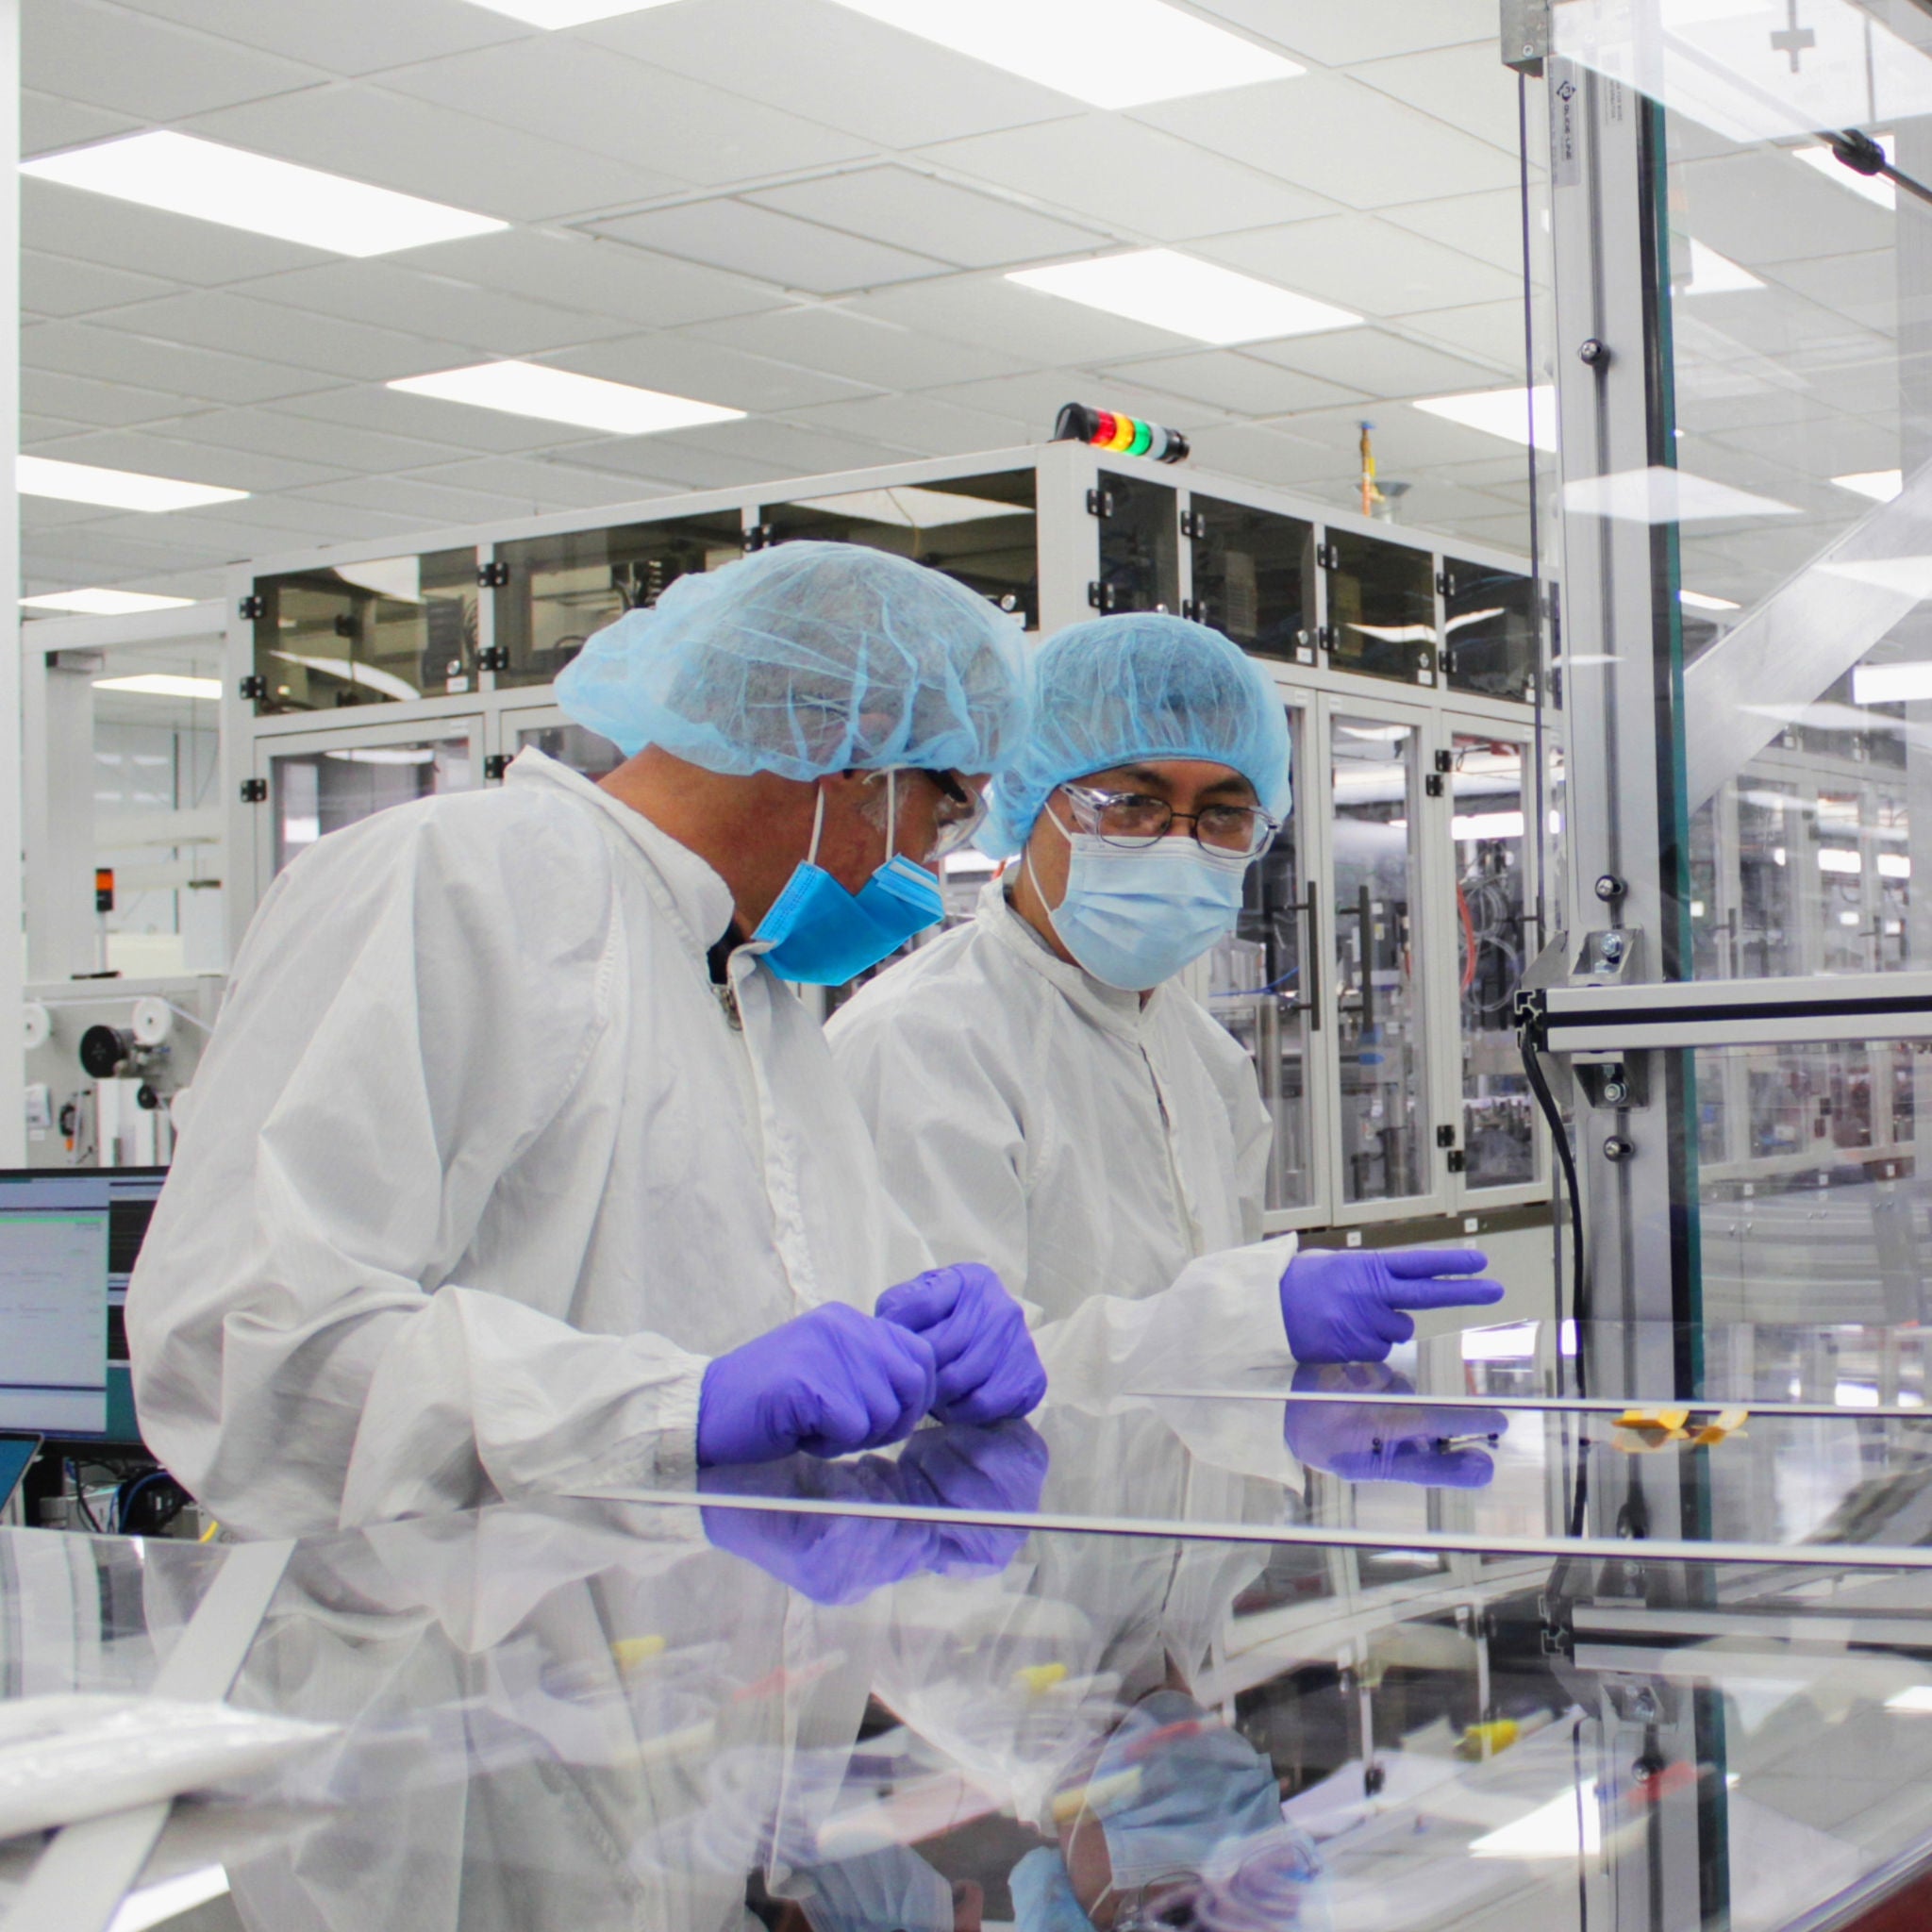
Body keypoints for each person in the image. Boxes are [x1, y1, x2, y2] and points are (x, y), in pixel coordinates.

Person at [128, 542, 1046, 1539]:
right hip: (454, 1665)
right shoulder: (458, 879)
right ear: (851, 750)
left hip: (705, 1663)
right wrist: (671, 1410)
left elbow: (778, 1325)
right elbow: (249, 1343)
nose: (926, 859)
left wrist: (926, 1338)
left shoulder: (749, 982)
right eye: (945, 806)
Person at [829, 612, 1503, 1351]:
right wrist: (1256, 1323)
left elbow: (1212, 1315)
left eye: (1223, 814)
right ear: (1030, 804)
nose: (1179, 845)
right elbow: (949, 1375)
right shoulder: (923, 1043)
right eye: (1132, 805)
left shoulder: (1207, 1060)